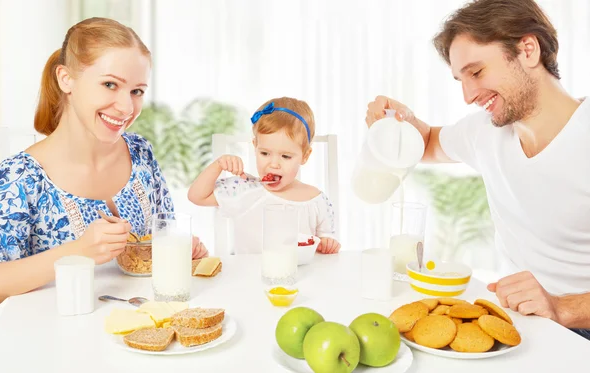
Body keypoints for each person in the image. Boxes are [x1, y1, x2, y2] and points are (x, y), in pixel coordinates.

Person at [365, 0, 590, 337]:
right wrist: (400, 122)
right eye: (460, 79)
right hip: (517, 324)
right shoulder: (486, 132)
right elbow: (426, 143)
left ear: (528, 50)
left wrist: (561, 308)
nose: (468, 95)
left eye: (477, 72)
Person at [0, 17, 207, 310]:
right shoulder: (18, 179)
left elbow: (160, 236)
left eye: (137, 91)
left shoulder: (140, 153)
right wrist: (79, 252)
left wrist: (180, 248)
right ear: (66, 79)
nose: (127, 107)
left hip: (137, 327)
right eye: (110, 84)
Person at [188, 97, 340, 254]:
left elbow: (327, 243)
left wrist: (328, 244)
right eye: (265, 153)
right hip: (246, 276)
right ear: (255, 147)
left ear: (305, 156)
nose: (273, 164)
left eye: (286, 156)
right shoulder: (244, 189)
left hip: (299, 277)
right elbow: (197, 196)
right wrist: (218, 165)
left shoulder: (316, 201)